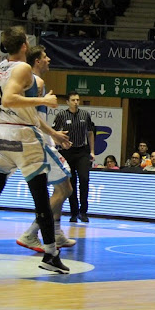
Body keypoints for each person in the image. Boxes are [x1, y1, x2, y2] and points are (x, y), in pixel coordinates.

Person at [0, 26, 70, 273]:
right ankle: (50, 256)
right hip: (22, 137)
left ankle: (48, 251)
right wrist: (43, 100)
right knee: (41, 199)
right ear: (24, 45)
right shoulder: (23, 68)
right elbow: (9, 99)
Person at [16, 45, 76, 253]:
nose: (49, 59)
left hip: (39, 140)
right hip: (38, 141)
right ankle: (31, 233)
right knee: (65, 189)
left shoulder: (31, 81)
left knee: (61, 188)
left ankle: (56, 233)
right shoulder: (36, 82)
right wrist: (54, 135)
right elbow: (33, 118)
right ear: (37, 61)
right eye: (45, 56)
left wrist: (53, 136)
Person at [53, 91, 95, 223]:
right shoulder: (61, 115)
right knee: (71, 183)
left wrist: (92, 151)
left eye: (77, 100)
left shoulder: (85, 115)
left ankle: (84, 212)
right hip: (67, 152)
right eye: (73, 100)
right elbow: (54, 133)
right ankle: (74, 212)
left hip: (82, 151)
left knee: (84, 179)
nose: (76, 102)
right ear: (67, 102)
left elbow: (90, 133)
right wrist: (61, 143)